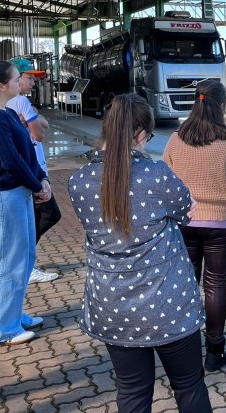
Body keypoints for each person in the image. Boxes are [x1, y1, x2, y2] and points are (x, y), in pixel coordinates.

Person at [68, 94, 211, 412]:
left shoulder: (78, 182)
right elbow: (188, 210)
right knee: (188, 385)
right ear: (141, 135)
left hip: (112, 304)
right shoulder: (156, 175)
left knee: (132, 391)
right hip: (168, 301)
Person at [162, 79, 226, 372]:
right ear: (220, 105)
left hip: (183, 222)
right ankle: (215, 350)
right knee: (215, 285)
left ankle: (183, 348)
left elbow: (166, 183)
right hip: (219, 224)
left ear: (197, 102)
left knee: (185, 284)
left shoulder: (175, 140)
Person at [0, 61, 51, 346]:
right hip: (5, 197)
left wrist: (40, 178)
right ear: (2, 86)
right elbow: (10, 160)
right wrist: (35, 184)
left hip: (20, 192)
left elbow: (26, 150)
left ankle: (12, 314)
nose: (22, 84)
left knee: (24, 256)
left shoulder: (6, 113)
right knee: (7, 261)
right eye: (17, 80)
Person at [7, 57, 61, 284]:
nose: (33, 83)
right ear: (16, 78)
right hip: (33, 170)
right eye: (29, 78)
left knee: (35, 218)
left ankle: (23, 263)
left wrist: (38, 119)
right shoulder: (20, 101)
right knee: (50, 214)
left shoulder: (6, 103)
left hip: (26, 169)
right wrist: (38, 121)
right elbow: (39, 134)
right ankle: (24, 265)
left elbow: (39, 125)